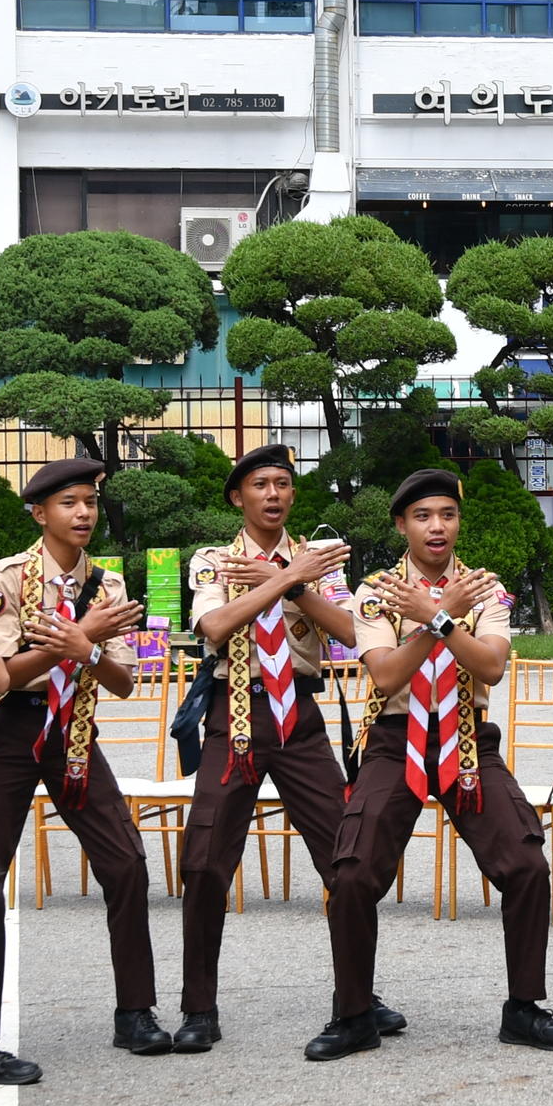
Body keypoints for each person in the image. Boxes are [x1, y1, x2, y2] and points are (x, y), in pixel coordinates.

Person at [321, 467, 553, 1060]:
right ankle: (353, 1013)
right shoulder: (375, 592)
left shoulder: (485, 590)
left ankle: (523, 1008)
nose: (437, 526)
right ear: (401, 525)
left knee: (526, 866)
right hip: (395, 740)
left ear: (458, 523)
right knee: (350, 873)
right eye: (422, 516)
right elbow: (387, 672)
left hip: (469, 738)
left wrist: (440, 616)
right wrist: (433, 616)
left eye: (447, 514)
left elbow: (491, 667)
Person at [0, 454, 157, 1082]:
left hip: (76, 731)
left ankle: (135, 1011)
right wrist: (69, 639)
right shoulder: (5, 578)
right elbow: (2, 674)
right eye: (69, 503)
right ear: (39, 514)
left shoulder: (109, 586)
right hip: (9, 731)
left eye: (90, 501)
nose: (84, 512)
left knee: (127, 865)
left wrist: (85, 645)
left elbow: (121, 681)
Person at [171, 442, 365, 1059]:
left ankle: (358, 999)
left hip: (300, 717)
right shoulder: (214, 559)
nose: (275, 494)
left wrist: (300, 583)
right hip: (236, 713)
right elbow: (214, 628)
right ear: (238, 497)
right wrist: (285, 577)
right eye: (261, 484)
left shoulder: (319, 560)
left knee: (347, 859)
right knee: (204, 863)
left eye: (284, 482)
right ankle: (199, 1007)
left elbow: (354, 633)